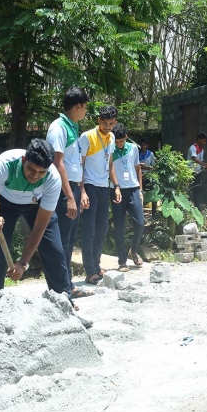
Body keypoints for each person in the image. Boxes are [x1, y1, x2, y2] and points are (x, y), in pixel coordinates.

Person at [0, 139, 76, 308]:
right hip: (4, 203)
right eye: (31, 169)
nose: (35, 175)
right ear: (24, 160)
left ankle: (65, 303)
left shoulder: (53, 178)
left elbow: (40, 227)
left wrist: (23, 262)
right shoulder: (4, 165)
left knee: (54, 250)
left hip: (36, 204)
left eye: (41, 172)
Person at [46, 87, 93, 300]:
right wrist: (70, 197)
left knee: (69, 240)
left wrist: (81, 190)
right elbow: (58, 163)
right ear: (78, 106)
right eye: (85, 107)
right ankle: (61, 290)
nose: (86, 112)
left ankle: (69, 286)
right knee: (61, 241)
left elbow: (76, 164)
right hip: (63, 191)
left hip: (73, 188)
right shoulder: (58, 128)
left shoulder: (72, 127)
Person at [79, 105, 117, 285]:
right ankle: (90, 271)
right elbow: (80, 165)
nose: (108, 126)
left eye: (111, 123)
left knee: (102, 230)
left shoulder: (112, 138)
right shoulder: (87, 136)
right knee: (89, 230)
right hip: (90, 187)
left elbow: (110, 165)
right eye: (105, 123)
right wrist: (82, 191)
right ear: (99, 120)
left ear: (115, 122)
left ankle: (96, 265)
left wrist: (116, 186)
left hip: (104, 187)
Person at [110, 123, 145, 272]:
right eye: (116, 142)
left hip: (133, 190)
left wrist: (140, 190)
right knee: (119, 227)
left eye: (121, 141)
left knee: (140, 223)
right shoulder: (110, 149)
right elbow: (109, 169)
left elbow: (138, 169)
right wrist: (116, 186)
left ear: (126, 137)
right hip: (116, 191)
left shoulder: (133, 148)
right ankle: (122, 261)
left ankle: (134, 251)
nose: (118, 144)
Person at [187, 132, 207, 208]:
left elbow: (201, 162)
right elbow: (195, 159)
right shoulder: (193, 148)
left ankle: (196, 206)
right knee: (189, 189)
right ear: (199, 140)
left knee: (197, 189)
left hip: (197, 171)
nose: (205, 142)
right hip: (190, 171)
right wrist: (204, 165)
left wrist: (206, 165)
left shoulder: (201, 150)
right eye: (203, 140)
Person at [138, 136, 157, 215]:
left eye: (145, 145)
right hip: (139, 176)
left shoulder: (150, 154)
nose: (143, 147)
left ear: (147, 145)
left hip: (148, 175)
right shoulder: (137, 153)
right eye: (142, 145)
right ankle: (140, 212)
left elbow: (154, 167)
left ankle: (154, 212)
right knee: (140, 193)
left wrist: (146, 167)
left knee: (152, 194)